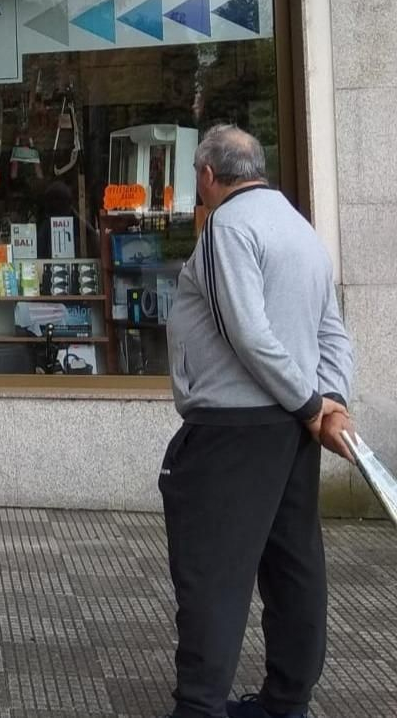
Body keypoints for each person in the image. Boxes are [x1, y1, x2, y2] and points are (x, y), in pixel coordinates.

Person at [161, 125, 356, 718]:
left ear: (206, 175)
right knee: (294, 567)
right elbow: (332, 332)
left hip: (232, 431)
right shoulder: (300, 229)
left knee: (212, 577)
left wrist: (310, 404)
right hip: (294, 433)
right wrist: (328, 400)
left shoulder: (226, 227)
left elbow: (245, 331)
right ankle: (285, 703)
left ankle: (200, 708)